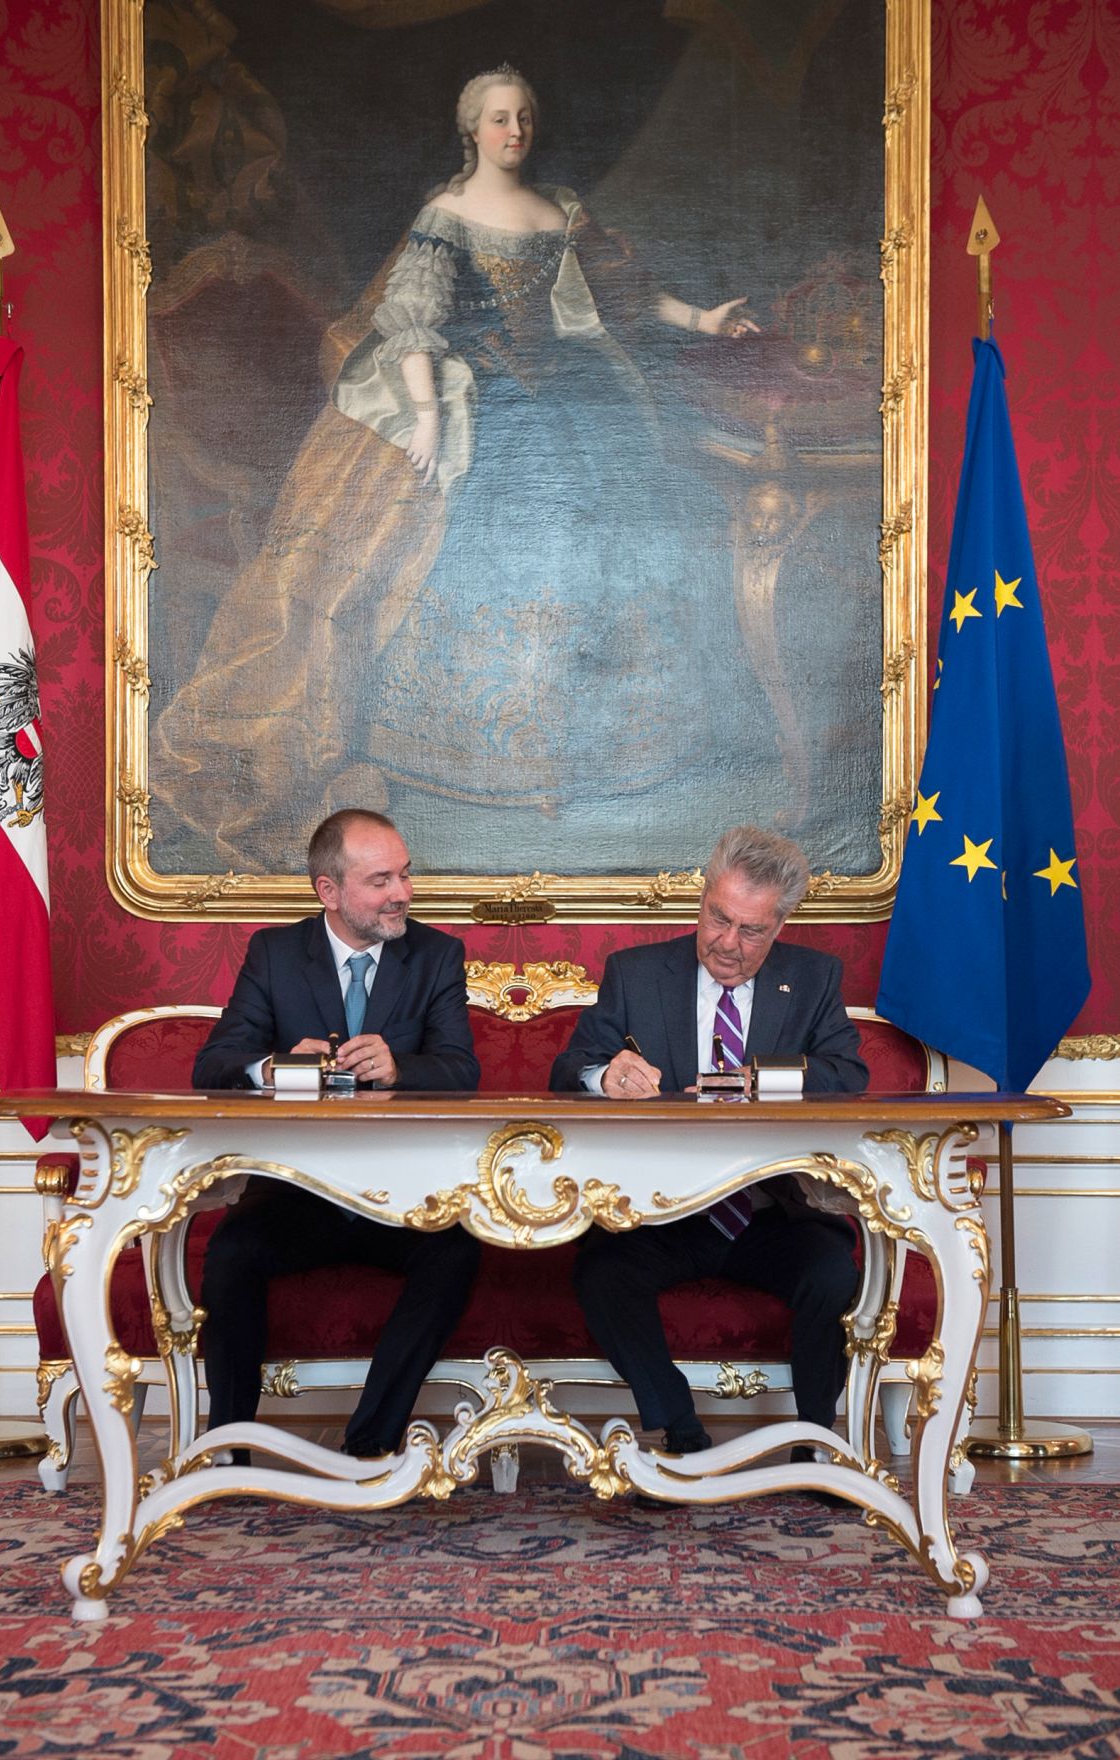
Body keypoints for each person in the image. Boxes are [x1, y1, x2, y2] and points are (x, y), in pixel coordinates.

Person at [156, 65, 761, 873]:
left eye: (523, 118)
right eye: (498, 119)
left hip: (569, 402)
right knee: (458, 543)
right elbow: (408, 320)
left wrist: (703, 318)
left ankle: (602, 748)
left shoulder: (562, 210)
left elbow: (620, 295)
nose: (513, 131)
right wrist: (429, 418)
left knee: (611, 536)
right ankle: (455, 748)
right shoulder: (446, 214)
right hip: (476, 398)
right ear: (470, 129)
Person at [551, 824, 868, 1456]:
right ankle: (680, 1433)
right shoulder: (636, 974)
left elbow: (847, 1074)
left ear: (781, 925)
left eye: (751, 931)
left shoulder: (811, 979)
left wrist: (758, 1080)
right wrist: (603, 1074)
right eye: (718, 918)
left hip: (769, 1209)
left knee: (833, 1278)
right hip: (661, 1211)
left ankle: (816, 1442)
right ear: (702, 900)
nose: (727, 943)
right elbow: (568, 1067)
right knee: (601, 1275)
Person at [194, 807, 480, 1458]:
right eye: (381, 880)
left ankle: (369, 1446)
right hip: (299, 1196)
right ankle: (229, 1444)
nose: (401, 893)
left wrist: (399, 1067)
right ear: (329, 890)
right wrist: (273, 1067)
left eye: (404, 876)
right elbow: (212, 1064)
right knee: (232, 1254)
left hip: (403, 1199)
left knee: (456, 1254)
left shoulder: (435, 956)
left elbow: (462, 1069)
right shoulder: (274, 954)